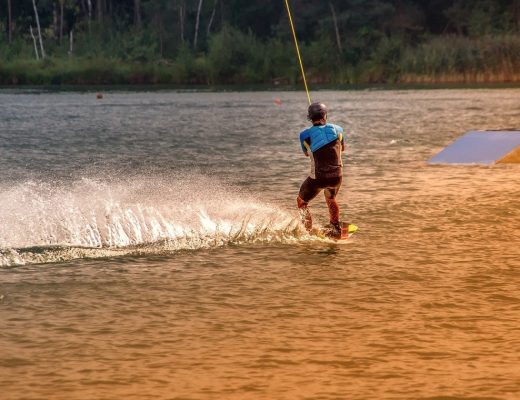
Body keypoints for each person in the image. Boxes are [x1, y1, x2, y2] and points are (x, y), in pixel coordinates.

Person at [297, 102, 345, 237]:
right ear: (325, 115)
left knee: (302, 201)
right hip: (337, 176)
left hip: (318, 178)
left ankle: (307, 231)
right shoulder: (339, 129)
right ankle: (335, 226)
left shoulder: (304, 135)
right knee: (331, 198)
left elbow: (306, 154)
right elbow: (343, 148)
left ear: (310, 118)